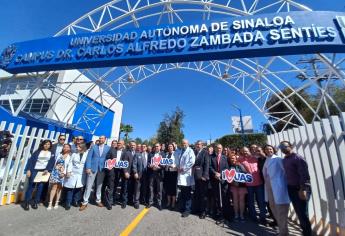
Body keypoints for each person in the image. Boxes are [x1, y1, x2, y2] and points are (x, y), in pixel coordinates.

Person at [280, 141, 312, 236]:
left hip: (300, 188)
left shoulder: (297, 158)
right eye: (281, 147)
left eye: (285, 146)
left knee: (303, 213)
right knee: (298, 212)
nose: (283, 148)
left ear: (291, 146)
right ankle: (305, 232)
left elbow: (304, 175)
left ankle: (307, 234)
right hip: (291, 188)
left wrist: (303, 189)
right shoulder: (285, 159)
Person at [263, 144, 290, 236]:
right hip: (269, 186)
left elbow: (285, 172)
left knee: (281, 210)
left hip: (278, 187)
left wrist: (282, 183)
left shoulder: (278, 159)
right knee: (273, 207)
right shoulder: (267, 160)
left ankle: (284, 233)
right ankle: (282, 229)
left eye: (270, 149)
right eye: (266, 149)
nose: (268, 150)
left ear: (273, 150)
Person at [22, 140, 55, 211]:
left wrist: (47, 169)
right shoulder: (37, 152)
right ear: (43, 145)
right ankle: (26, 202)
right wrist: (28, 170)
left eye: (48, 144)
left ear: (50, 145)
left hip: (44, 171)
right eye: (45, 144)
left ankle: (35, 202)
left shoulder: (51, 153)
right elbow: (31, 161)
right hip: (35, 170)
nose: (47, 145)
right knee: (31, 186)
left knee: (40, 187)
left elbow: (52, 162)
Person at [79, 135, 110, 211]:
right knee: (88, 186)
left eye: (102, 138)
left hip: (102, 169)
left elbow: (109, 158)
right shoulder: (94, 147)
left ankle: (98, 200)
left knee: (99, 185)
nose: (100, 139)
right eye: (100, 138)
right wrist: (88, 167)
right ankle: (85, 202)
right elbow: (89, 157)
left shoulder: (108, 148)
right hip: (92, 168)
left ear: (105, 140)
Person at [239, 146, 266, 223]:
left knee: (261, 201)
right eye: (243, 151)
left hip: (259, 183)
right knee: (251, 201)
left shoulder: (256, 158)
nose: (245, 152)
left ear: (249, 151)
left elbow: (264, 159)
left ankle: (263, 217)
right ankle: (253, 216)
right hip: (249, 184)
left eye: (246, 151)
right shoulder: (240, 160)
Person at [104, 140, 131, 210]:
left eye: (120, 143)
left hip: (122, 171)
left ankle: (121, 202)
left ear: (123, 144)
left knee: (122, 187)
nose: (118, 144)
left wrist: (127, 172)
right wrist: (109, 166)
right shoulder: (112, 150)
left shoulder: (126, 152)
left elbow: (128, 162)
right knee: (111, 186)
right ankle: (110, 203)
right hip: (113, 170)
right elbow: (107, 158)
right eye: (118, 143)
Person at [64, 143, 88, 210]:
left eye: (79, 147)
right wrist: (68, 171)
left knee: (78, 188)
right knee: (70, 188)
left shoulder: (86, 155)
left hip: (81, 174)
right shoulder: (74, 154)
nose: (77, 148)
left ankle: (75, 201)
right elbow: (70, 163)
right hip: (73, 173)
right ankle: (68, 203)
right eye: (77, 147)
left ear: (82, 148)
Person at [47, 144, 71, 210]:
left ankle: (56, 202)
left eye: (67, 147)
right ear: (63, 148)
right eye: (64, 147)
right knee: (54, 187)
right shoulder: (59, 154)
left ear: (69, 148)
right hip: (55, 173)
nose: (66, 148)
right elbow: (55, 163)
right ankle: (50, 203)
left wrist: (64, 173)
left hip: (62, 174)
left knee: (59, 189)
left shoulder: (70, 157)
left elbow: (69, 166)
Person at [210, 144, 229, 222]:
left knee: (224, 197)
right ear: (215, 149)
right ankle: (218, 213)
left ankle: (225, 213)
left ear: (222, 149)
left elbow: (227, 168)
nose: (219, 149)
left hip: (223, 180)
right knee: (216, 197)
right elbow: (210, 167)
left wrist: (220, 174)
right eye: (217, 148)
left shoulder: (225, 158)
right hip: (214, 180)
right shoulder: (212, 157)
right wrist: (215, 173)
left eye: (220, 148)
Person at [177, 139, 195, 217]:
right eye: (182, 143)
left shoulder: (190, 151)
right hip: (181, 174)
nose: (183, 144)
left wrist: (183, 168)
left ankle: (188, 210)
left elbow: (192, 162)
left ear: (188, 144)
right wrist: (178, 167)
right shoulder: (181, 151)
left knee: (187, 193)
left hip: (187, 175)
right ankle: (183, 207)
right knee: (183, 193)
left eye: (185, 143)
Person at [228, 152, 248, 222]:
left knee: (241, 201)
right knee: (235, 201)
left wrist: (240, 181)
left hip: (242, 186)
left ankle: (241, 215)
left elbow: (245, 174)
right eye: (231, 159)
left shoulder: (240, 165)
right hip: (233, 186)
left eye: (233, 158)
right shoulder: (229, 166)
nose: (232, 160)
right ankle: (236, 215)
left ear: (236, 158)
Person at [193, 140, 209, 219]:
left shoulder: (205, 153)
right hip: (196, 176)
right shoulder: (195, 152)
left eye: (199, 144)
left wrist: (205, 175)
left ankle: (203, 212)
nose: (198, 146)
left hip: (202, 177)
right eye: (197, 144)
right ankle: (198, 209)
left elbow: (207, 164)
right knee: (197, 193)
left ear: (202, 145)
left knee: (203, 195)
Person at [147, 143, 165, 210]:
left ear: (160, 147)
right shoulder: (151, 154)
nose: (156, 147)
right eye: (155, 146)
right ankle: (150, 202)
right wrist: (150, 166)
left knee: (159, 189)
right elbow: (148, 163)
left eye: (157, 146)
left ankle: (159, 203)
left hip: (159, 173)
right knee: (151, 187)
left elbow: (164, 164)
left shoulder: (163, 154)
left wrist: (159, 167)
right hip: (152, 173)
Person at [132, 143, 149, 209]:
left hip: (146, 175)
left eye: (144, 146)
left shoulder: (149, 155)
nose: (143, 147)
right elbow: (134, 164)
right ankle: (136, 202)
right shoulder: (137, 154)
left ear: (146, 148)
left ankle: (143, 200)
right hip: (138, 174)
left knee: (144, 188)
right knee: (137, 189)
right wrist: (135, 172)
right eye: (142, 147)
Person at [163, 143, 178, 210]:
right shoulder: (166, 154)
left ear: (173, 147)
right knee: (168, 188)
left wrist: (174, 166)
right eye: (169, 146)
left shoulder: (176, 154)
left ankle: (173, 203)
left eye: (171, 146)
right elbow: (163, 163)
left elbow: (178, 163)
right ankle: (168, 202)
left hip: (173, 173)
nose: (170, 147)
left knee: (173, 188)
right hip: (167, 173)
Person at [121, 141, 135, 209]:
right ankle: (124, 202)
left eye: (134, 145)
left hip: (134, 174)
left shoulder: (137, 153)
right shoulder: (126, 153)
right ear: (129, 145)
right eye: (131, 145)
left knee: (131, 188)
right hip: (127, 173)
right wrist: (125, 172)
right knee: (125, 188)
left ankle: (130, 201)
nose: (133, 146)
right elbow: (124, 163)